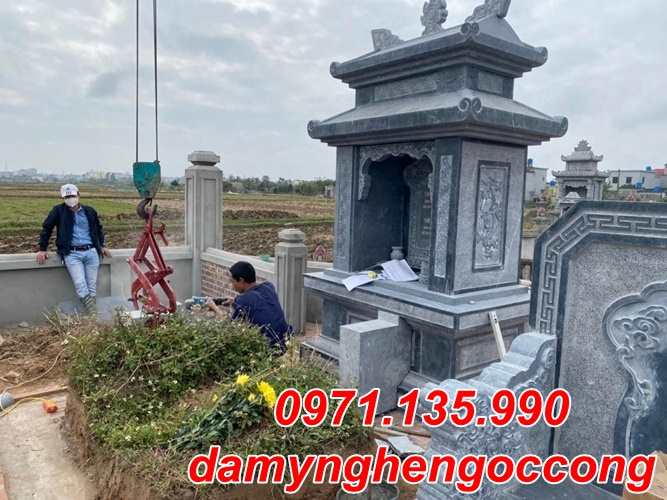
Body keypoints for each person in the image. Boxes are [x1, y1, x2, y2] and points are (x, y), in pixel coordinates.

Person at [36, 184, 111, 314]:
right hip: (72, 253)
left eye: (72, 196)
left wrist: (102, 246)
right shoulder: (58, 211)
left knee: (92, 286)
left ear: (78, 195)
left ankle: (91, 315)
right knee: (80, 284)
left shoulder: (90, 211)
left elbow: (98, 229)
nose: (70, 199)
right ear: (63, 198)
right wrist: (42, 248)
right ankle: (94, 314)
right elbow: (47, 228)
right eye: (67, 197)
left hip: (91, 251)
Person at [207, 261, 291, 350]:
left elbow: (230, 327)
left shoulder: (243, 300)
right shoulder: (269, 286)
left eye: (233, 281)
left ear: (241, 280)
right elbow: (258, 302)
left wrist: (214, 308)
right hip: (287, 341)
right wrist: (234, 302)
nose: (232, 286)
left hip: (269, 349)